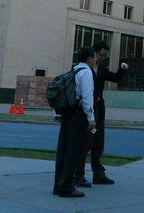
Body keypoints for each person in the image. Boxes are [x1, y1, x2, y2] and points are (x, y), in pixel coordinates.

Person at [74, 41, 128, 187]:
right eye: (101, 55)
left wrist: (122, 69)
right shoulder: (83, 70)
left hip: (99, 111)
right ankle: (78, 175)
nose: (103, 58)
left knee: (98, 142)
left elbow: (115, 78)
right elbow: (84, 94)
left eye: (106, 56)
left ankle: (99, 174)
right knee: (85, 143)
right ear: (93, 54)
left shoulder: (102, 68)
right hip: (87, 113)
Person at [53, 47, 97, 197]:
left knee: (63, 150)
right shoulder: (86, 73)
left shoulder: (74, 71)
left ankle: (58, 185)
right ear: (89, 59)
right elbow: (87, 97)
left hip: (67, 114)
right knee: (74, 150)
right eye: (94, 57)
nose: (95, 60)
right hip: (78, 115)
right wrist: (91, 119)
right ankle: (67, 187)